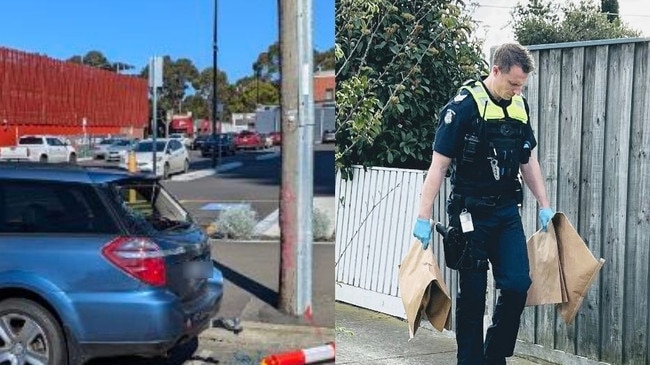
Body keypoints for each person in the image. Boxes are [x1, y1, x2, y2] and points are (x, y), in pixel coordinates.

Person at [412, 43, 554, 365]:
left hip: (505, 212)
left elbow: (527, 161)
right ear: (496, 71)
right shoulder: (462, 108)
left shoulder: (519, 107)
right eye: (513, 83)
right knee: (473, 297)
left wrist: (544, 203)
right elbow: (438, 166)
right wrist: (423, 216)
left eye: (522, 86)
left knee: (518, 284)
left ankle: (493, 356)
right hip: (468, 213)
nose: (517, 91)